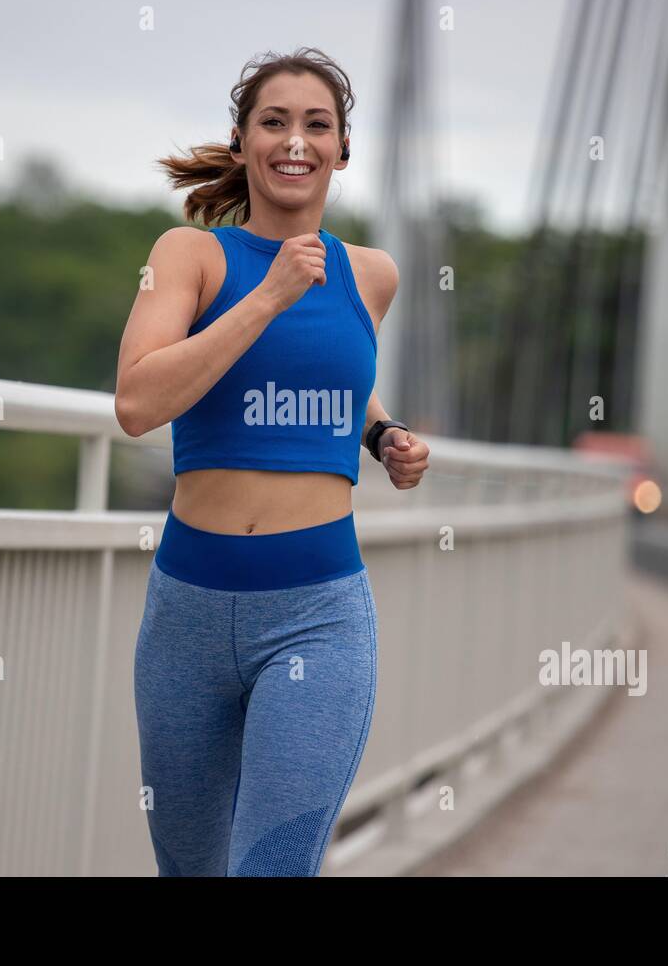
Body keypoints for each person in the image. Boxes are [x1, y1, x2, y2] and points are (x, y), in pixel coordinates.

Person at [115, 46, 430, 876]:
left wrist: (382, 434)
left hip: (317, 615)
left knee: (272, 868)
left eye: (317, 124)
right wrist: (268, 295)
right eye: (275, 121)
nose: (297, 140)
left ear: (342, 148)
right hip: (186, 612)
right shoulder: (191, 256)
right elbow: (139, 403)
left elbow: (330, 375)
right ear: (243, 140)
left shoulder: (372, 274)